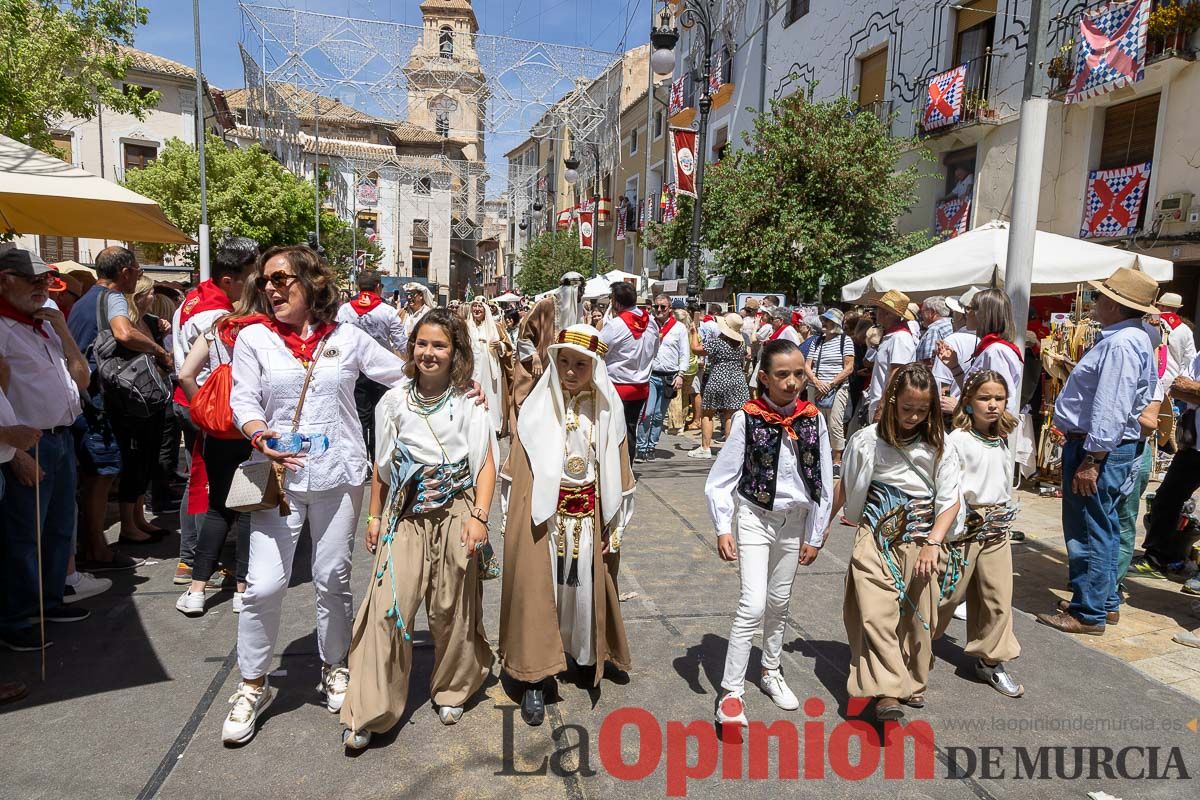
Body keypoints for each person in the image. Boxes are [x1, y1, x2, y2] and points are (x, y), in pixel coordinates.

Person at [222, 245, 407, 746]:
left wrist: (462, 383)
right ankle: (253, 683)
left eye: (282, 279)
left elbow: (403, 374)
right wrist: (261, 436)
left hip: (340, 473)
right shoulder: (254, 339)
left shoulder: (346, 338)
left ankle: (335, 665)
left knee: (332, 578)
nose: (272, 288)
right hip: (278, 481)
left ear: (311, 282)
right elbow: (243, 397)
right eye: (266, 282)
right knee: (262, 585)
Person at [340, 309, 498, 749]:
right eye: (422, 344)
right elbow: (382, 466)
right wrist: (373, 516)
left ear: (456, 352)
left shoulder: (470, 400)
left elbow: (484, 461)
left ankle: (453, 687)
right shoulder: (392, 401)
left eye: (440, 345)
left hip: (456, 512)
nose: (429, 353)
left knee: (451, 606)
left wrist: (479, 518)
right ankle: (370, 708)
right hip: (405, 514)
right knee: (388, 608)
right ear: (412, 349)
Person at [498, 324, 636, 727]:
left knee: (582, 592)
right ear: (554, 362)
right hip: (546, 521)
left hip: (588, 517)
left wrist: (615, 525)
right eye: (564, 362)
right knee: (543, 594)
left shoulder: (608, 409)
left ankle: (586, 654)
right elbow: (518, 478)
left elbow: (620, 472)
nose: (571, 371)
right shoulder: (537, 409)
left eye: (582, 364)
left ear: (595, 367)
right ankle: (535, 676)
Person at [706, 339, 833, 726]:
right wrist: (722, 525)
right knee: (753, 603)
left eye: (798, 374)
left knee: (780, 601)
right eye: (782, 375)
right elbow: (722, 477)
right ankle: (731, 692)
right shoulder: (749, 416)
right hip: (755, 517)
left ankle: (770, 670)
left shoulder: (813, 418)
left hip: (793, 522)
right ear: (763, 377)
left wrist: (816, 532)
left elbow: (824, 480)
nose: (793, 382)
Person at [831, 363, 961, 720]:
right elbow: (846, 485)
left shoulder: (940, 447)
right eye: (907, 408)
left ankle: (912, 681)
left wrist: (935, 543)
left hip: (921, 540)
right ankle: (887, 691)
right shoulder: (867, 440)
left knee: (919, 620)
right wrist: (820, 526)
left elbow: (951, 501)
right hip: (874, 536)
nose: (914, 416)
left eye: (923, 410)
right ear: (891, 401)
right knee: (875, 613)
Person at [1035, 267, 1157, 636]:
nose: (1095, 302)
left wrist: (1093, 458)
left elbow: (1111, 407)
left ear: (1116, 306)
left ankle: (1088, 612)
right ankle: (1101, 602)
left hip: (1099, 449)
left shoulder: (1121, 343)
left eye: (1101, 297)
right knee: (1100, 525)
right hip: (1105, 446)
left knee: (1091, 528)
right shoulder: (1132, 339)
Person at [0, 249, 93, 650]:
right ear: (5, 279)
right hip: (25, 443)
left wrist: (65, 332)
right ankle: (19, 617)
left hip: (61, 436)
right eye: (32, 280)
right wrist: (13, 451)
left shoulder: (47, 318)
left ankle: (50, 600)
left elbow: (83, 380)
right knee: (23, 535)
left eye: (45, 280)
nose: (43, 287)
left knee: (59, 527)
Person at [174, 272, 269, 618]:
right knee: (248, 509)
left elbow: (185, 373)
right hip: (256, 431)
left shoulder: (217, 327)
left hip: (218, 431)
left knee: (217, 507)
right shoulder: (270, 331)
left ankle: (197, 590)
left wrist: (204, 407)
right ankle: (242, 590)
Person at [67, 246, 166, 571]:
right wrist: (155, 349)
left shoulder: (83, 299)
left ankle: (92, 545)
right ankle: (96, 549)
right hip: (98, 401)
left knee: (97, 474)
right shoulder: (113, 298)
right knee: (101, 475)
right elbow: (124, 333)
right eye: (137, 270)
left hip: (83, 398)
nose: (138, 275)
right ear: (125, 272)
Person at [934, 371, 1023, 698]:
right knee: (947, 594)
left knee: (998, 597)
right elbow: (949, 487)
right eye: (985, 398)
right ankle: (913, 642)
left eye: (998, 398)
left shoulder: (1002, 438)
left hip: (997, 527)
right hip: (965, 526)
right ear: (968, 402)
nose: (993, 405)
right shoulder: (957, 440)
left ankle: (990, 659)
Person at [109, 276, 173, 544]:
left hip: (155, 399)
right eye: (149, 293)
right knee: (134, 462)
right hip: (133, 402)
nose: (153, 297)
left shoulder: (150, 322)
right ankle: (128, 524)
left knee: (147, 459)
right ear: (138, 296)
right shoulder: (128, 325)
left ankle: (138, 518)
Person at [337, 271, 406, 461]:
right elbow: (401, 343)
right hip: (381, 370)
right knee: (381, 415)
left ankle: (360, 457)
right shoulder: (388, 311)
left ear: (359, 288)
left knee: (358, 416)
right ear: (378, 287)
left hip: (353, 369)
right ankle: (379, 458)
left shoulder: (344, 310)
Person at [937, 289, 1022, 416]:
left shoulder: (996, 351)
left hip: (984, 432)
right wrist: (954, 366)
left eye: (970, 308)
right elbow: (973, 392)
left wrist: (958, 409)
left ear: (984, 314)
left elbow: (1001, 405)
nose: (966, 313)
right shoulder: (991, 349)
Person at [511, 272, 585, 415]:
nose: (581, 295)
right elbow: (523, 335)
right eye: (579, 291)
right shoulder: (544, 305)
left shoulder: (578, 308)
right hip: (541, 367)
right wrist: (534, 356)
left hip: (564, 369)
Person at [600, 283, 660, 455]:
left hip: (617, 386)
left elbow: (598, 352)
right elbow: (655, 352)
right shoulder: (651, 323)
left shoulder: (615, 325)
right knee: (630, 429)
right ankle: (627, 472)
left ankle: (614, 472)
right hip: (641, 387)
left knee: (612, 431)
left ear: (616, 303)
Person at [688, 313, 750, 460]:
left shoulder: (717, 342)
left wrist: (694, 333)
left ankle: (705, 447)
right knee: (730, 414)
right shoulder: (742, 344)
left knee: (708, 413)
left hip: (718, 377)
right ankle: (728, 448)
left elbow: (696, 349)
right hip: (737, 379)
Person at [634, 294, 688, 461]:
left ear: (669, 309)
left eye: (663, 307)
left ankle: (651, 446)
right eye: (656, 306)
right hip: (650, 375)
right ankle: (641, 447)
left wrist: (681, 374)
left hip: (669, 377)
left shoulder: (679, 328)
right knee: (647, 413)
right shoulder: (648, 325)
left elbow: (684, 353)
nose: (659, 310)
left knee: (659, 415)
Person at [807, 309, 855, 474]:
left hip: (837, 387)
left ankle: (836, 459)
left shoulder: (845, 340)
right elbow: (807, 365)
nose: (823, 324)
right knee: (816, 422)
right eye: (823, 320)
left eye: (827, 321)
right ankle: (818, 454)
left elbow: (849, 367)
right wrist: (816, 382)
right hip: (816, 387)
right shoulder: (816, 341)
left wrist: (830, 384)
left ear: (836, 324)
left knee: (835, 423)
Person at [865, 290, 918, 423]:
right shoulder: (892, 336)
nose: (876, 313)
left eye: (878, 309)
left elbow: (896, 375)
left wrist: (883, 407)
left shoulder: (900, 338)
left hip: (888, 409)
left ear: (887, 313)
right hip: (881, 405)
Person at [466, 297, 510, 437]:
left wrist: (500, 346)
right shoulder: (466, 326)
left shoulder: (495, 326)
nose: (477, 309)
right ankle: (474, 425)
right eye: (474, 306)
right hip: (472, 368)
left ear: (485, 310)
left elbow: (509, 346)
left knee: (491, 395)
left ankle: (493, 425)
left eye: (480, 306)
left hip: (490, 369)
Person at [915, 296, 953, 366]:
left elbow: (928, 361)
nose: (921, 315)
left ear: (932, 312)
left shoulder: (934, 330)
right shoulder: (951, 325)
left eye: (922, 311)